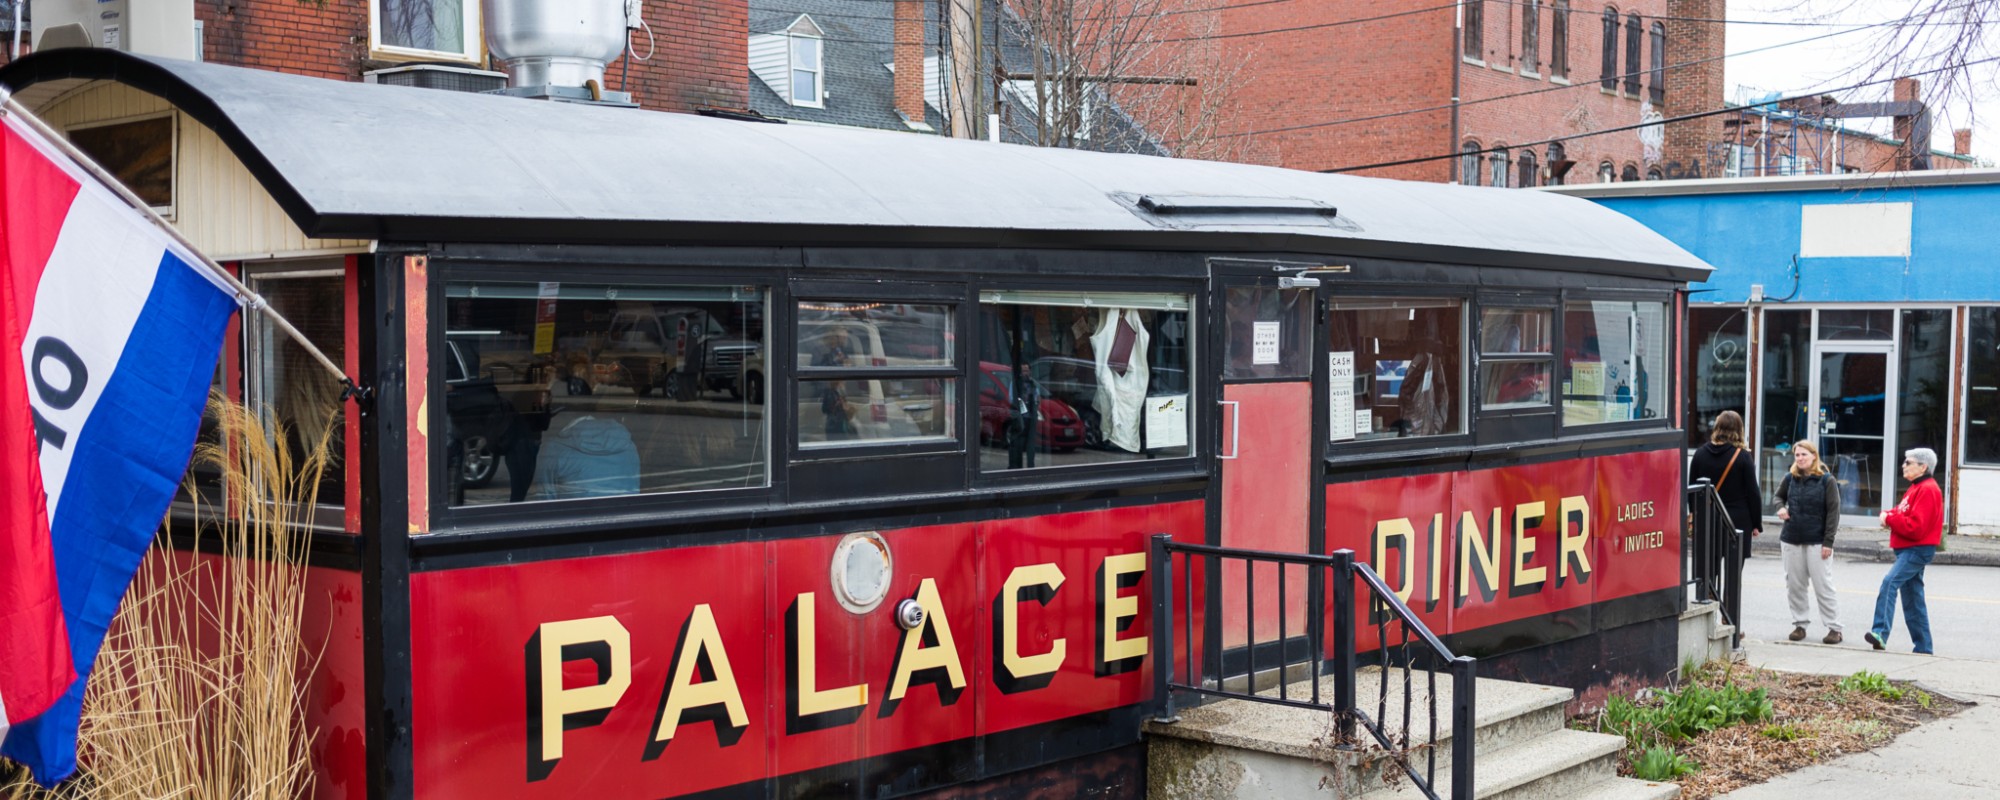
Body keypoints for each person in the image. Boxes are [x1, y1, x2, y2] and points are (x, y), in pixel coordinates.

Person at [1865, 447, 1944, 653]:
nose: (1904, 465)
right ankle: (1924, 647)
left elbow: (1916, 527)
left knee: (1889, 582)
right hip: (1909, 549)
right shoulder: (1916, 487)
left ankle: (1880, 633)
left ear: (1923, 467)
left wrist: (1889, 519)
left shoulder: (1927, 489)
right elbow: (1903, 512)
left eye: (1908, 462)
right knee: (1913, 601)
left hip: (1916, 549)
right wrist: (1889, 514)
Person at [1774, 440, 1842, 643]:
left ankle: (1834, 628)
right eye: (1797, 455)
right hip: (1791, 539)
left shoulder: (1826, 480)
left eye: (1804, 454)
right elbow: (1778, 497)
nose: (1800, 458)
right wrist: (1780, 508)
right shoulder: (1790, 478)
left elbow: (1833, 513)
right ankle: (1800, 625)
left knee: (1823, 586)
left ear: (1814, 456)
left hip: (1817, 541)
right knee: (1795, 585)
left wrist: (1828, 542)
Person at [1687, 411, 1760, 572]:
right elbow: (1753, 493)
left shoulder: (1700, 454)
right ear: (1739, 429)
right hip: (1737, 520)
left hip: (1707, 519)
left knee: (1707, 573)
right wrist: (1756, 523)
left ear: (1717, 427)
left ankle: (1708, 596)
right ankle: (1729, 598)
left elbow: (1692, 489)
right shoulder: (1742, 457)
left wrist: (1695, 514)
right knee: (1733, 574)